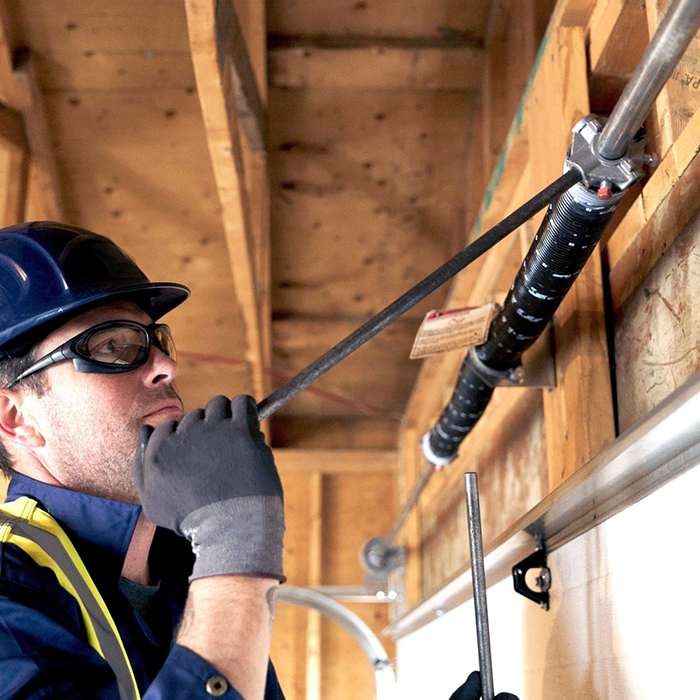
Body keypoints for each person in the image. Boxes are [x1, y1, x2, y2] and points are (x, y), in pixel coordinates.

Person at [0, 221, 286, 699]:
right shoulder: (10, 595)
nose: (166, 366)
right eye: (112, 346)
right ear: (16, 416)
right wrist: (235, 546)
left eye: (155, 340)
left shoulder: (187, 566)